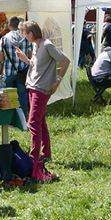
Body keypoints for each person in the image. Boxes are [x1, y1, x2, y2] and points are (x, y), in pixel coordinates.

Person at [15, 21, 70, 182]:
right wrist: (26, 59)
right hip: (33, 86)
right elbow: (37, 65)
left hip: (41, 89)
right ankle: (46, 153)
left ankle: (34, 157)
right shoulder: (36, 45)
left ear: (31, 32)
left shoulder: (47, 44)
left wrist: (57, 81)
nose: (24, 36)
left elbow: (65, 61)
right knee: (40, 121)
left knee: (33, 123)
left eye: (25, 33)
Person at [0, 17, 32, 116]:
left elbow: (0, 58)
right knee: (22, 96)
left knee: (7, 97)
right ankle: (23, 118)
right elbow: (30, 56)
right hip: (22, 72)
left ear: (9, 25)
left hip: (8, 72)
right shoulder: (25, 38)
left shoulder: (4, 38)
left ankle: (8, 118)